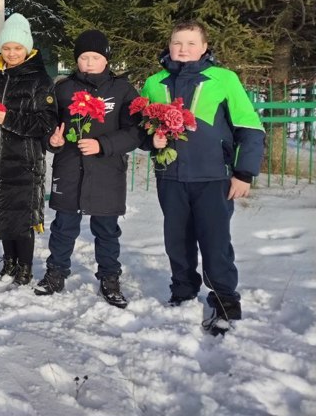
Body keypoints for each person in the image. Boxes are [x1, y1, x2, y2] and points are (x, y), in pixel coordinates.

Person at [141, 20, 265, 332]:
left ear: (205, 47)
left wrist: (244, 173)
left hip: (214, 178)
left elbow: (249, 127)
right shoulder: (155, 82)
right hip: (170, 176)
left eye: (191, 43)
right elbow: (140, 126)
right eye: (177, 43)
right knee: (177, 240)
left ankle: (224, 299)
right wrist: (150, 140)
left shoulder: (223, 79)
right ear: (169, 46)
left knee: (215, 240)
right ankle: (182, 292)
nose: (183, 49)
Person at [35, 30, 143, 308]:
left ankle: (110, 278)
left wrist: (102, 144)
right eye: (84, 57)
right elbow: (50, 126)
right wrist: (53, 140)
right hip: (70, 168)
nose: (89, 62)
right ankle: (55, 273)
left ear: (106, 59)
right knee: (64, 226)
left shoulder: (122, 90)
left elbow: (135, 133)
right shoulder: (64, 88)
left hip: (107, 171)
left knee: (106, 229)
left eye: (95, 57)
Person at [0, 13, 57, 286]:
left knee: (21, 217)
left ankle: (25, 267)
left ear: (27, 48)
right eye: (7, 48)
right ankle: (8, 262)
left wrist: (8, 118)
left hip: (24, 159)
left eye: (17, 48)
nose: (11, 53)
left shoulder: (40, 80)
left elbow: (45, 122)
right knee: (2, 213)